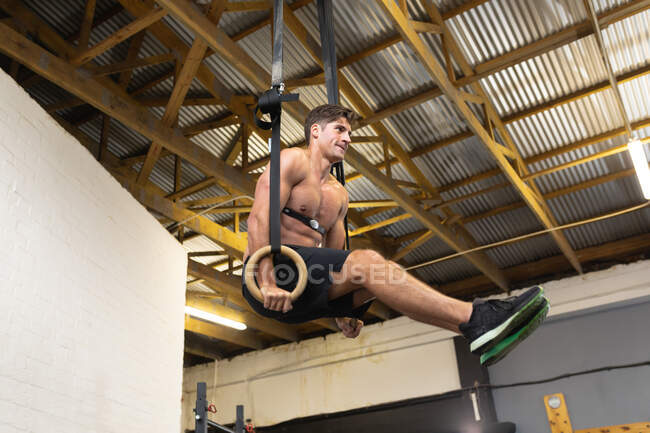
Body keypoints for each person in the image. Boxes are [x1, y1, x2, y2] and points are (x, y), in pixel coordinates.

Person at [242, 104, 549, 365]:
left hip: (304, 290)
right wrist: (266, 280)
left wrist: (343, 311)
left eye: (349, 133)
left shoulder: (339, 195)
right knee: (368, 261)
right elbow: (258, 220)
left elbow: (336, 258)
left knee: (384, 275)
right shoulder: (292, 160)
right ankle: (478, 315)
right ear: (316, 132)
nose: (347, 138)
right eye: (339, 130)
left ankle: (475, 331)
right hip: (273, 276)